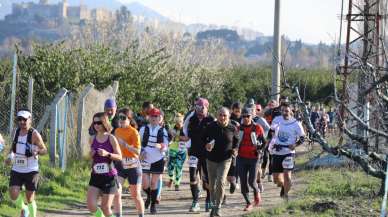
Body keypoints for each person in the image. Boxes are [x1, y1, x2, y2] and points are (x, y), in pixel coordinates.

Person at [5, 109, 47, 217]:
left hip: (31, 170)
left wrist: (37, 151)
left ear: (30, 120)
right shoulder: (15, 131)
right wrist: (9, 157)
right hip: (17, 168)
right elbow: (13, 149)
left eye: (24, 119)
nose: (22, 122)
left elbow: (44, 150)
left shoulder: (34, 134)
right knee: (13, 194)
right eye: (19, 119)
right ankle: (25, 209)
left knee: (30, 197)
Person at [203, 107, 239, 217]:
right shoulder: (210, 126)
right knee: (212, 185)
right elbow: (203, 139)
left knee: (221, 182)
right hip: (211, 159)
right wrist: (207, 144)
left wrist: (235, 150)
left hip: (225, 159)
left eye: (225, 115)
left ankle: (217, 208)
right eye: (220, 115)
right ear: (217, 116)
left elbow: (236, 142)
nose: (222, 117)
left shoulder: (232, 128)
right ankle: (213, 207)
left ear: (228, 116)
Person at [183, 98, 215, 212]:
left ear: (207, 108)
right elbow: (184, 132)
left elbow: (216, 136)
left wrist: (211, 143)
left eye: (202, 107)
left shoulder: (211, 120)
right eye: (197, 107)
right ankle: (195, 201)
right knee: (192, 176)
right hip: (194, 152)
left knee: (207, 178)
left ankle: (208, 199)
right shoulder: (191, 119)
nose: (200, 110)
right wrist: (183, 140)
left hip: (207, 153)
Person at [87, 112, 122, 217]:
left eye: (99, 122)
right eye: (94, 123)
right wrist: (90, 155)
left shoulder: (111, 138)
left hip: (109, 176)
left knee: (105, 208)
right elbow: (90, 158)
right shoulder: (92, 139)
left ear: (105, 123)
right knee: (91, 205)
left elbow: (120, 156)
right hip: (96, 176)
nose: (96, 125)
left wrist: (108, 154)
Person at [270, 103, 305, 200]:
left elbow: (303, 137)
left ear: (291, 111)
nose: (284, 113)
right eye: (282, 111)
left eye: (286, 111)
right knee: (276, 179)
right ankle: (283, 187)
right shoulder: (277, 120)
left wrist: (295, 145)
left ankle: (285, 195)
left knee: (287, 176)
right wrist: (271, 140)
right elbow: (271, 131)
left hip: (289, 152)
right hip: (277, 151)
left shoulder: (295, 123)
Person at [113, 108, 144, 217]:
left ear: (129, 119)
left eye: (123, 118)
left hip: (133, 166)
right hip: (120, 165)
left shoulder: (134, 132)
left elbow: (138, 151)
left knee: (135, 195)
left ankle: (141, 215)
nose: (120, 120)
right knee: (116, 192)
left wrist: (125, 144)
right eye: (119, 117)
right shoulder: (116, 131)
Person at [139, 108, 169, 214]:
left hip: (158, 159)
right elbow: (138, 143)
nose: (154, 118)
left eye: (156, 116)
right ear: (149, 117)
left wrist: (161, 147)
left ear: (159, 118)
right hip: (145, 158)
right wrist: (141, 151)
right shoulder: (143, 129)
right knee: (145, 184)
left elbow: (165, 145)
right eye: (152, 116)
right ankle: (149, 196)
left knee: (153, 183)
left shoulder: (163, 130)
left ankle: (153, 205)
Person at [237, 108, 265, 211]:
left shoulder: (257, 127)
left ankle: (257, 192)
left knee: (252, 182)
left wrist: (260, 149)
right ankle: (248, 203)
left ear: (251, 116)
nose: (245, 118)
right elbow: (235, 141)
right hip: (241, 158)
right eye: (243, 116)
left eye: (247, 116)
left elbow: (264, 142)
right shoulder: (239, 128)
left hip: (254, 158)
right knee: (243, 182)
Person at [167, 113, 187, 191]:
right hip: (172, 149)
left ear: (182, 121)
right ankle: (171, 178)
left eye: (180, 121)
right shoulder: (172, 128)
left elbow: (187, 138)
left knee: (179, 167)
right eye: (177, 121)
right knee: (170, 167)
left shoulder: (185, 129)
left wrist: (178, 136)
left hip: (182, 151)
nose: (178, 123)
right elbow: (169, 138)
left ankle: (177, 183)